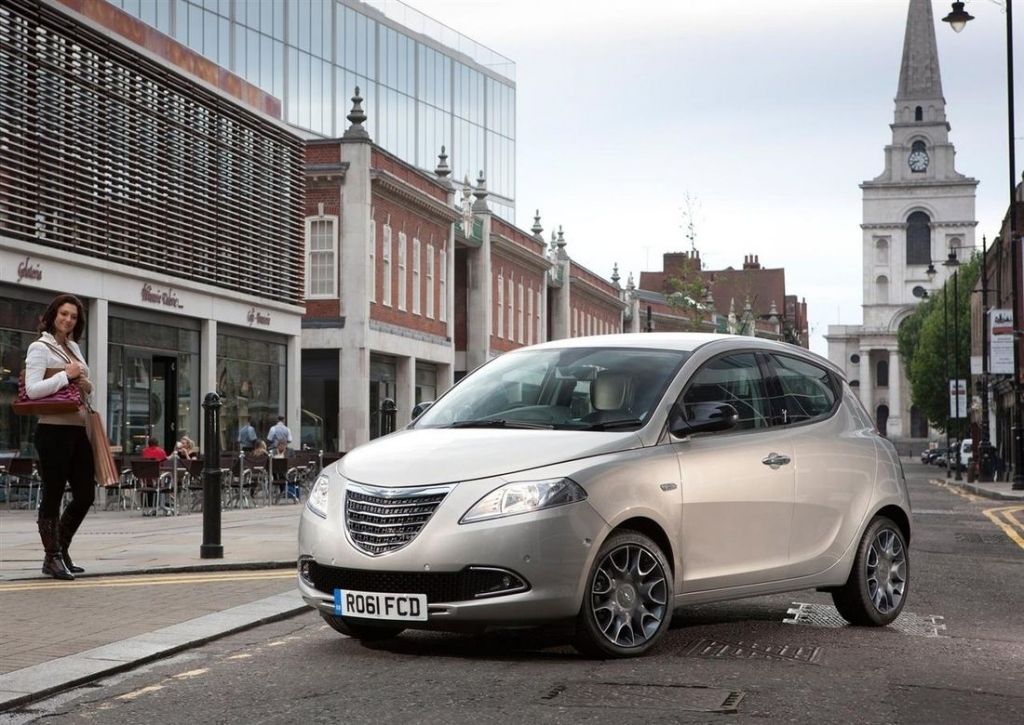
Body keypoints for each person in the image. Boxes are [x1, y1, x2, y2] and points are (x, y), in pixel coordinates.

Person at [24, 293, 94, 580]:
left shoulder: (73, 347)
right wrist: (66, 375)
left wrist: (85, 383)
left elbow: (84, 384)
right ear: (53, 315)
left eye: (73, 316)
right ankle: (52, 557)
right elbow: (32, 390)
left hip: (78, 429)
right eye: (64, 314)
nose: (68, 319)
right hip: (53, 429)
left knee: (86, 494)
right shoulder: (39, 347)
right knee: (53, 494)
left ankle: (60, 548)